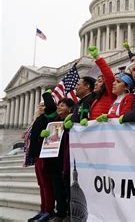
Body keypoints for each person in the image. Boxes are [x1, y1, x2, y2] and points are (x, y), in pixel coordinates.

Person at [40, 92, 75, 222]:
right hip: (53, 160)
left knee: (67, 189)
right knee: (57, 189)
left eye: (62, 105)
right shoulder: (54, 123)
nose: (59, 107)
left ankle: (70, 213)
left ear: (70, 108)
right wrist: (43, 137)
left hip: (65, 160)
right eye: (58, 105)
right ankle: (60, 213)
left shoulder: (72, 121)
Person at [26, 100, 55, 222]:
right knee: (41, 184)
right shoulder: (38, 119)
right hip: (37, 154)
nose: (41, 107)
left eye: (44, 105)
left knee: (46, 184)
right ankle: (43, 209)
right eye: (40, 105)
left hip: (44, 154)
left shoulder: (47, 118)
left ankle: (49, 210)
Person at [88, 46, 116, 120]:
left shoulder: (111, 94)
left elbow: (109, 76)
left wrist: (97, 57)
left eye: (100, 81)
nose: (95, 83)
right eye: (96, 81)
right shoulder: (97, 98)